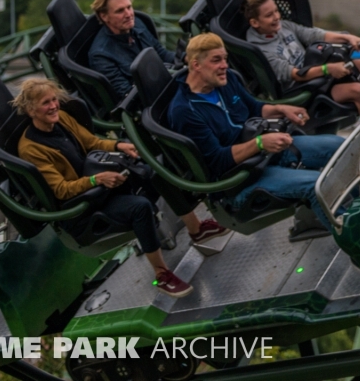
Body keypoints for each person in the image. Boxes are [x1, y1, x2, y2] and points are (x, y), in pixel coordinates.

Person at [14, 78, 227, 298]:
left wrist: (119, 145)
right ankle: (161, 275)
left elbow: (92, 143)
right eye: (45, 103)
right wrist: (96, 180)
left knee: (154, 173)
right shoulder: (30, 149)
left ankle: (196, 229)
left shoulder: (62, 119)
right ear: (31, 110)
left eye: (53, 100)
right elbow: (60, 189)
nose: (53, 106)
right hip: (82, 207)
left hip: (99, 184)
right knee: (140, 207)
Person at [167, 33, 344, 230]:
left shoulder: (226, 79)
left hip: (265, 153)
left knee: (341, 148)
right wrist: (259, 143)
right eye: (216, 60)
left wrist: (281, 109)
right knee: (316, 185)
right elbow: (217, 162)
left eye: (225, 58)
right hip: (240, 179)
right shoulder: (184, 111)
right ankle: (355, 238)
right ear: (196, 65)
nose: (224, 65)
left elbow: (253, 107)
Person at [244, 0, 360, 117]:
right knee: (359, 91)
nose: (276, 17)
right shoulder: (260, 50)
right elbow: (296, 75)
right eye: (269, 15)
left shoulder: (284, 26)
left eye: (276, 11)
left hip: (321, 71)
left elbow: (313, 35)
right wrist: (328, 69)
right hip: (305, 89)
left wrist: (349, 38)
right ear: (255, 22)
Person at [88, 0, 176, 99]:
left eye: (129, 7)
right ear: (104, 16)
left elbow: (162, 54)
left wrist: (187, 57)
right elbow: (127, 95)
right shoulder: (100, 55)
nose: (128, 14)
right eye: (120, 11)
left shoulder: (137, 24)